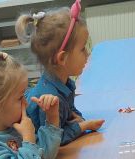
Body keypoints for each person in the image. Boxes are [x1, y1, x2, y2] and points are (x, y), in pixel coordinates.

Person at [16, 0, 105, 145]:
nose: (88, 54)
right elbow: (54, 140)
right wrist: (83, 126)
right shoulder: (50, 100)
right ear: (62, 58)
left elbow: (70, 111)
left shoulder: (65, 83)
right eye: (83, 49)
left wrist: (78, 118)